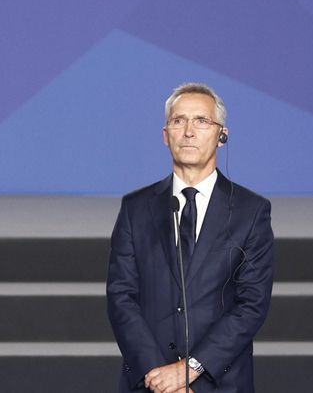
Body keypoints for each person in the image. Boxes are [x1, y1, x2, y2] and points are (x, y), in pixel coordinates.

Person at [106, 83, 273, 393]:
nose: (189, 131)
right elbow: (121, 298)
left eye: (201, 121)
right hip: (149, 382)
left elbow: (252, 304)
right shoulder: (136, 208)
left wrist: (190, 369)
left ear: (222, 135)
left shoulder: (251, 211)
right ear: (166, 135)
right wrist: (159, 375)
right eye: (178, 121)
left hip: (219, 382)